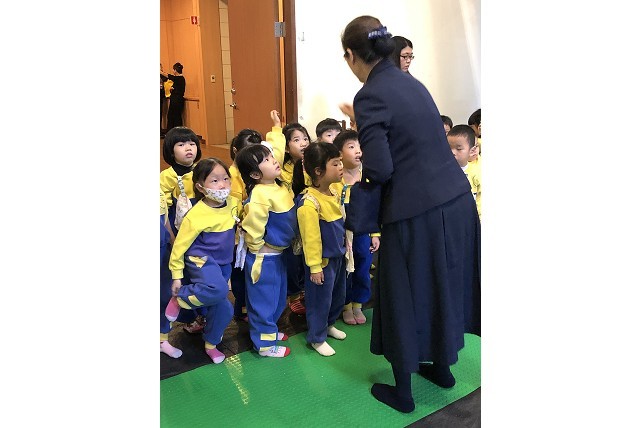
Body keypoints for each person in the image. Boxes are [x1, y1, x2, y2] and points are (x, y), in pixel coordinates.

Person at [341, 16, 481, 413]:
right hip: (457, 202)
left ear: (350, 54)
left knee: (402, 294)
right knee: (443, 286)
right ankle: (443, 369)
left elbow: (381, 167)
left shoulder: (370, 94)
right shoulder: (411, 83)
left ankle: (403, 393)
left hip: (415, 212)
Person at [165, 157, 241, 364]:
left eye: (225, 178)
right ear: (200, 187)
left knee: (225, 309)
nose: (222, 185)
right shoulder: (196, 214)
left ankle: (211, 344)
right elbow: (179, 247)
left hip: (223, 262)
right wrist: (177, 276)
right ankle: (180, 298)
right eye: (214, 181)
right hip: (200, 259)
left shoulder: (233, 204)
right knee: (219, 289)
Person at [235, 144, 298, 358]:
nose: (273, 160)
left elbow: (277, 148)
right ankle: (264, 344)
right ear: (255, 174)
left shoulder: (278, 186)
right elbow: (254, 226)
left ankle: (269, 331)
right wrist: (257, 247)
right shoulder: (260, 194)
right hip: (264, 258)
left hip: (278, 254)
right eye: (266, 160)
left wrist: (277, 130)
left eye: (271, 156)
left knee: (278, 298)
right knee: (263, 302)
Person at [292, 142, 347, 356]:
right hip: (321, 263)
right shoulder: (309, 203)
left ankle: (329, 324)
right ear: (318, 171)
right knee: (319, 301)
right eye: (335, 163)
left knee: (337, 296)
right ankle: (317, 337)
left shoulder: (334, 190)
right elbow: (311, 239)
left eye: (340, 162)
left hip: (338, 256)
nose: (341, 167)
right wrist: (315, 267)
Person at [332, 130, 380, 325]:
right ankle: (345, 305)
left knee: (362, 268)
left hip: (363, 233)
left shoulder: (367, 177)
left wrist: (375, 234)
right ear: (340, 154)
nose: (358, 151)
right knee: (345, 271)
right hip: (343, 234)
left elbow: (373, 209)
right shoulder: (336, 180)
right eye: (351, 147)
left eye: (360, 146)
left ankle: (358, 304)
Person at [280, 121, 312, 315]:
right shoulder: (282, 169)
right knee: (292, 258)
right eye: (297, 140)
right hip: (291, 220)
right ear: (286, 147)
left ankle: (306, 291)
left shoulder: (313, 163)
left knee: (307, 257)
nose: (303, 143)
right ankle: (293, 295)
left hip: (309, 218)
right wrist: (276, 128)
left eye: (305, 138)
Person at [160, 126, 202, 237]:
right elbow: (164, 209)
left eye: (192, 144)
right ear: (171, 151)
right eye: (181, 145)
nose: (188, 148)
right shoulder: (167, 176)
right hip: (177, 226)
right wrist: (171, 237)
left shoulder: (202, 170)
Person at [160, 189, 182, 358]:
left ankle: (162, 340)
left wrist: (174, 243)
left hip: (162, 250)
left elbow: (164, 218)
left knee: (165, 295)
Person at [448, 125, 481, 219]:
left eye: (458, 149)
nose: (452, 152)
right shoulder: (443, 171)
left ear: (472, 151)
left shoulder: (477, 172)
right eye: (449, 148)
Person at [162, 62, 186, 131]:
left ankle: (174, 132)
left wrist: (160, 72)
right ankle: (176, 132)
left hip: (176, 101)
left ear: (175, 70)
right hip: (177, 100)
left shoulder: (179, 78)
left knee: (174, 117)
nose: (173, 71)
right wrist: (172, 89)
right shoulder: (181, 79)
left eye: (173, 69)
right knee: (175, 117)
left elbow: (169, 76)